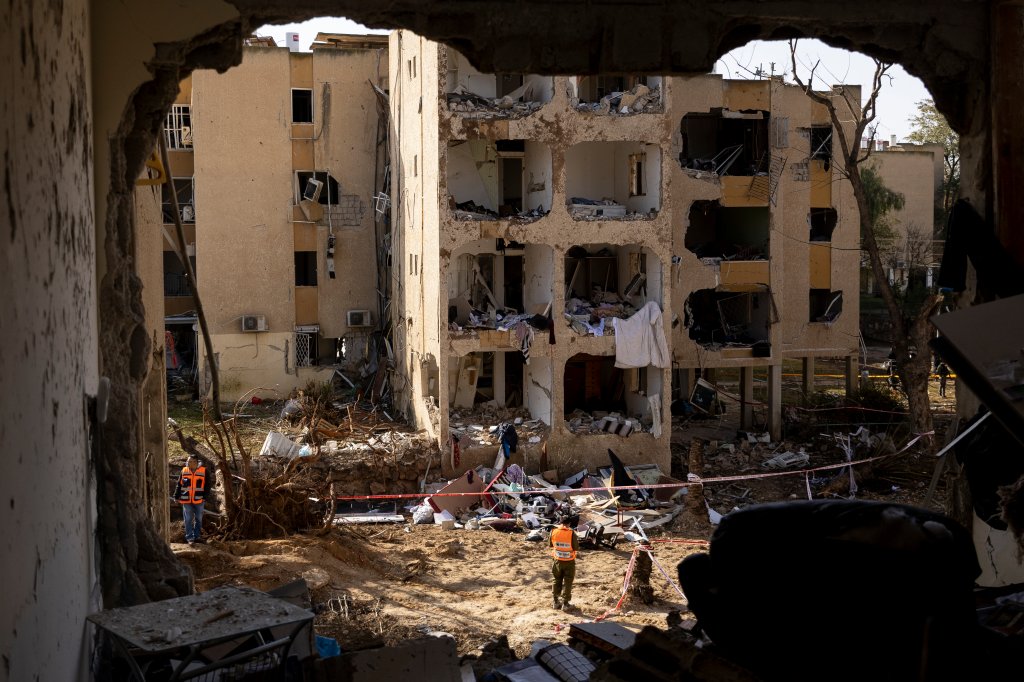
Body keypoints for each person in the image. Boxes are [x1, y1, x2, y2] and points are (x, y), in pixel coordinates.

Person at [173, 455, 209, 544]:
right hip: (186, 500)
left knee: (198, 519)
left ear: (196, 462)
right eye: (188, 461)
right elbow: (179, 484)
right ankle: (189, 538)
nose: (190, 463)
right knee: (188, 519)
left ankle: (197, 536)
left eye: (192, 462)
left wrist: (205, 497)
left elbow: (207, 485)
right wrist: (176, 496)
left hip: (199, 499)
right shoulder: (184, 470)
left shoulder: (204, 471)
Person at [550, 514, 580, 611]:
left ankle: (555, 602)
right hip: (569, 561)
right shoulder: (572, 533)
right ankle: (565, 604)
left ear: (560, 522)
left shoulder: (553, 531)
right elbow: (576, 547)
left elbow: (550, 544)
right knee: (568, 582)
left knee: (556, 580)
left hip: (557, 560)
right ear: (569, 523)